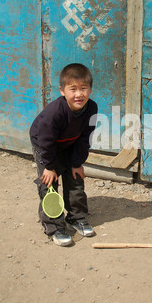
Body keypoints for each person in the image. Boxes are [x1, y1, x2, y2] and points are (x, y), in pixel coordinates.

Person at [30, 63, 98, 246]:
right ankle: (53, 225)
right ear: (62, 91)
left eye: (84, 88)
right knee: (49, 183)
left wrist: (77, 162)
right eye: (73, 89)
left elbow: (86, 138)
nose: (79, 94)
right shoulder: (54, 113)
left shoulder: (91, 108)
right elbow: (45, 141)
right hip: (45, 145)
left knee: (75, 176)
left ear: (90, 89)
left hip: (70, 142)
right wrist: (50, 167)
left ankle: (76, 217)